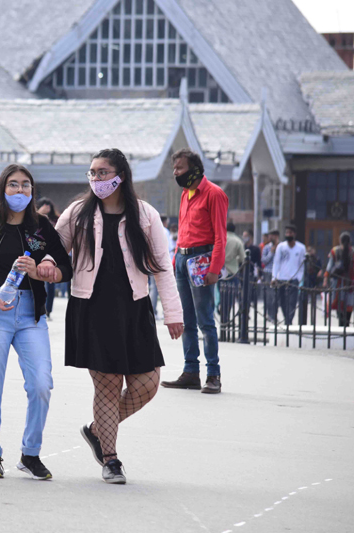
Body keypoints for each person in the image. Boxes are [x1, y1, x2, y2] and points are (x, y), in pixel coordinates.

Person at [56, 149, 182, 484]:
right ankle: (110, 459)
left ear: (120, 176)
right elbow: (52, 251)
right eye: (92, 173)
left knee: (147, 384)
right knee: (109, 386)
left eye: (103, 172)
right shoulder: (77, 213)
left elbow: (162, 267)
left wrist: (173, 312)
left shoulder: (145, 215)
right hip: (91, 309)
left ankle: (98, 429)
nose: (97, 179)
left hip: (135, 309)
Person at [0, 164, 73, 481]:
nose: (20, 191)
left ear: (32, 191)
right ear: (2, 189)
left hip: (30, 314)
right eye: (13, 185)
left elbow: (65, 267)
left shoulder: (42, 228)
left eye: (26, 185)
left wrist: (44, 267)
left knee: (41, 384)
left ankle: (31, 453)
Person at [161, 149, 228, 394]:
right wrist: (174, 259)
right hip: (181, 258)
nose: (175, 173)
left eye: (179, 168)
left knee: (205, 321)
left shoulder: (215, 194)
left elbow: (221, 237)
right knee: (186, 320)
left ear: (195, 168)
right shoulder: (184, 194)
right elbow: (183, 229)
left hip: (202, 261)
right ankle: (191, 372)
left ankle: (213, 374)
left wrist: (214, 268)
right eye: (174, 168)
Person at [271, 225, 305, 326]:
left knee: (292, 302)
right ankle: (287, 319)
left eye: (290, 233)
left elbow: (301, 265)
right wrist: (274, 277)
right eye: (287, 233)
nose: (288, 234)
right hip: (282, 278)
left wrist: (299, 279)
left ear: (294, 234)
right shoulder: (281, 247)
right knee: (282, 302)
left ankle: (288, 321)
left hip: (294, 279)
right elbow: (276, 262)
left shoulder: (301, 248)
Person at [37, 198, 60, 318]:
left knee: (50, 285)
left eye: (48, 205)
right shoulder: (35, 218)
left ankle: (48, 310)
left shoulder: (56, 220)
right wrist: (40, 213)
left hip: (52, 255)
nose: (46, 207)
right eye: (43, 205)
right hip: (37, 254)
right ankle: (39, 308)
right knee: (38, 284)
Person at [323, 235, 353, 326]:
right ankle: (346, 325)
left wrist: (325, 280)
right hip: (350, 283)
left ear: (340, 240)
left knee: (339, 305)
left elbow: (329, 267)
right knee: (349, 306)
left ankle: (341, 325)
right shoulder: (353, 251)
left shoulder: (334, 250)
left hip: (337, 284)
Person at [148, 214, 170, 320]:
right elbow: (169, 249)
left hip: (151, 262)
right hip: (162, 263)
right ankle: (167, 313)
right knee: (165, 287)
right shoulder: (165, 231)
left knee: (153, 288)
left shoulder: (151, 229)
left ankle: (153, 311)